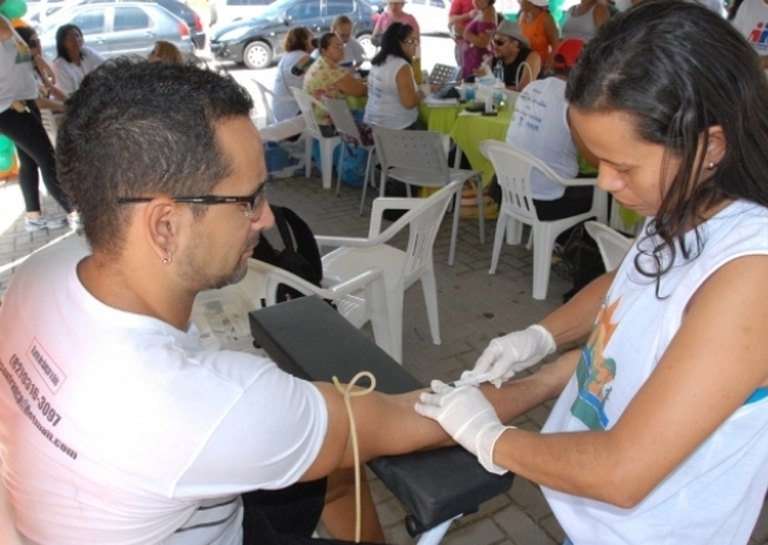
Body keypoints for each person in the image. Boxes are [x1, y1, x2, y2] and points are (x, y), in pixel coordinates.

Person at [0, 58, 556, 545]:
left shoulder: (40, 272)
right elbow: (405, 420)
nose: (265, 219)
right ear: (164, 225)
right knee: (344, 444)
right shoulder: (205, 405)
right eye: (249, 200)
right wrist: (554, 374)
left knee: (333, 462)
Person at [414, 2, 768, 544]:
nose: (606, 183)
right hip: (590, 522)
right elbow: (632, 283)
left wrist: (490, 437)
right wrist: (540, 338)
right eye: (598, 160)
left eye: (623, 166)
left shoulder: (761, 276)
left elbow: (620, 472)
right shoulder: (690, 198)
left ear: (712, 146)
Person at [495, 38, 590, 219]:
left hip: (507, 190)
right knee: (608, 192)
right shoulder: (573, 100)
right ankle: (571, 242)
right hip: (547, 200)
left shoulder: (532, 87)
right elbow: (593, 158)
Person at [0, 13, 74, 231]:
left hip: (22, 100)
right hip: (8, 106)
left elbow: (18, 59)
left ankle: (33, 217)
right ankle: (74, 211)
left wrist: (36, 58)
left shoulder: (7, 24)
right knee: (46, 157)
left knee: (30, 160)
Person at [303, 32, 367, 134]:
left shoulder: (321, 63)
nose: (342, 49)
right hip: (330, 123)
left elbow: (347, 82)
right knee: (373, 116)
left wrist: (365, 81)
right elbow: (359, 91)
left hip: (316, 120)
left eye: (342, 45)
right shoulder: (331, 69)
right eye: (337, 46)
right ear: (324, 50)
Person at [364, 23, 424, 130]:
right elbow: (409, 102)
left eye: (416, 41)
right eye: (411, 41)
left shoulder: (378, 61)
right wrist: (424, 91)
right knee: (434, 132)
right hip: (397, 129)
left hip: (372, 126)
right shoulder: (400, 65)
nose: (416, 45)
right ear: (398, 43)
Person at [476, 18, 541, 90]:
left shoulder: (531, 57)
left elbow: (524, 89)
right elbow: (477, 83)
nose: (494, 46)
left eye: (499, 42)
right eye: (494, 41)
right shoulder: (491, 61)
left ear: (514, 44)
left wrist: (494, 88)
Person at [15, 25, 66, 112]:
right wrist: (67, 107)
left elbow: (53, 90)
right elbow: (37, 102)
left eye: (38, 41)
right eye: (32, 44)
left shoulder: (35, 64)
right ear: (21, 47)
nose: (39, 46)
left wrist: (73, 104)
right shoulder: (19, 72)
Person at [273, 26, 314, 121]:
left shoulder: (288, 56)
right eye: (311, 38)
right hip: (293, 112)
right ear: (304, 40)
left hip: (281, 110)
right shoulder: (304, 58)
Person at [52, 24, 104, 96]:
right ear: (62, 43)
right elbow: (67, 95)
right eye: (70, 38)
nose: (76, 40)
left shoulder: (87, 52)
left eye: (77, 36)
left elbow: (106, 66)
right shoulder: (59, 65)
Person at [518, 0, 560, 73]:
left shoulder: (547, 19)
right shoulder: (522, 16)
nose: (518, 1)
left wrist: (547, 66)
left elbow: (556, 46)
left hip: (540, 66)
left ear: (532, 3)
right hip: (523, 64)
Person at [460, 0, 498, 80]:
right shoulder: (483, 11)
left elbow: (484, 42)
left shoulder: (488, 14)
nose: (475, 2)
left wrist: (466, 34)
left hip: (478, 61)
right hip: (473, 59)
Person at [448, 0, 476, 65]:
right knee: (464, 71)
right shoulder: (458, 1)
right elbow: (451, 20)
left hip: (482, 45)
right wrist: (468, 15)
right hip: (464, 44)